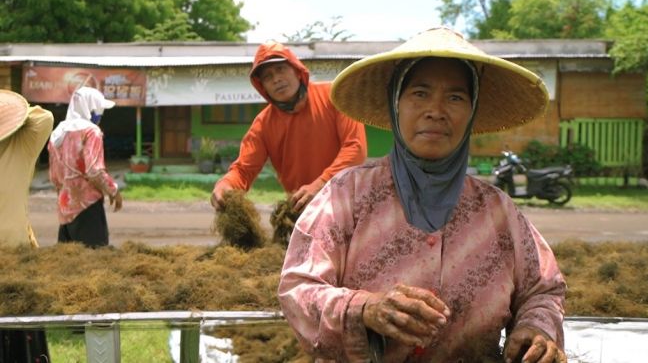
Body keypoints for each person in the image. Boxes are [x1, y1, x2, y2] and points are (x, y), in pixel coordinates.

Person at [278, 28, 567, 362]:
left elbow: (543, 289)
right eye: (419, 93)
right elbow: (297, 288)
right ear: (395, 105)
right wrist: (364, 309)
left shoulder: (497, 210)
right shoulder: (347, 196)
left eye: (456, 98)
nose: (436, 110)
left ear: (471, 112)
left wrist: (536, 328)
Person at [210, 41, 367, 213]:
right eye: (267, 77)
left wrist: (321, 184)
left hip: (349, 203)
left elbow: (355, 149)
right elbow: (243, 170)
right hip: (304, 210)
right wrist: (225, 184)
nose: (276, 79)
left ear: (297, 71)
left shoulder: (335, 96)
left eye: (280, 69)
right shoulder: (263, 125)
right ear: (263, 88)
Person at [0, 89, 53, 362]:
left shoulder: (20, 147)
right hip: (16, 253)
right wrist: (16, 114)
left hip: (15, 255)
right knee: (20, 326)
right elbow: (44, 117)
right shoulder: (22, 146)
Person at [48, 86, 122, 247]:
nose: (101, 115)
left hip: (64, 208)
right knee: (94, 262)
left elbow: (54, 177)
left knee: (69, 261)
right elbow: (94, 170)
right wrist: (113, 190)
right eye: (100, 110)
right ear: (92, 109)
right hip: (87, 207)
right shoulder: (91, 131)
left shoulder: (57, 133)